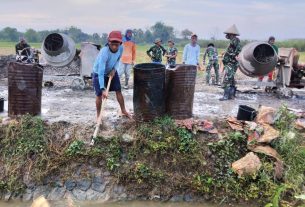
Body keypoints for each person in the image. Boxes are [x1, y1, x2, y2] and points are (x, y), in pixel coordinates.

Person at [92, 31, 131, 120]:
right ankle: (98, 116)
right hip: (99, 73)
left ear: (120, 43)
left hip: (111, 70)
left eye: (116, 44)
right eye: (112, 44)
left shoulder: (121, 48)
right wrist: (103, 88)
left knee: (118, 90)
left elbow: (118, 60)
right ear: (108, 43)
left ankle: (123, 110)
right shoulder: (104, 52)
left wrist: (114, 69)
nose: (114, 46)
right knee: (99, 95)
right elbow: (101, 72)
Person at [220, 24, 242, 101]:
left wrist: (231, 55)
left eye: (228, 34)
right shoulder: (233, 41)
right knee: (231, 79)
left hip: (231, 63)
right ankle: (231, 95)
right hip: (230, 62)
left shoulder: (235, 40)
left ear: (231, 34)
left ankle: (226, 96)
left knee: (227, 78)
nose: (226, 35)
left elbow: (239, 50)